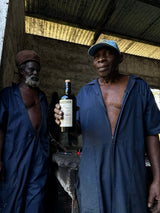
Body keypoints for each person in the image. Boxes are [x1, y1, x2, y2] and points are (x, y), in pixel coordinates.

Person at [54, 39, 160, 213]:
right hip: (92, 177)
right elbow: (76, 129)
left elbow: (152, 133)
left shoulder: (139, 88)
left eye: (107, 54)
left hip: (129, 177)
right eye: (96, 57)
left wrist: (158, 180)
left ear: (120, 58)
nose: (101, 60)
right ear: (94, 64)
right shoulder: (85, 93)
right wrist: (62, 118)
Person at [0, 50, 49, 213]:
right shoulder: (8, 95)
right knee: (11, 199)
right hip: (14, 156)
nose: (35, 73)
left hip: (38, 157)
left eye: (37, 70)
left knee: (36, 200)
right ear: (21, 70)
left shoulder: (42, 97)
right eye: (31, 69)